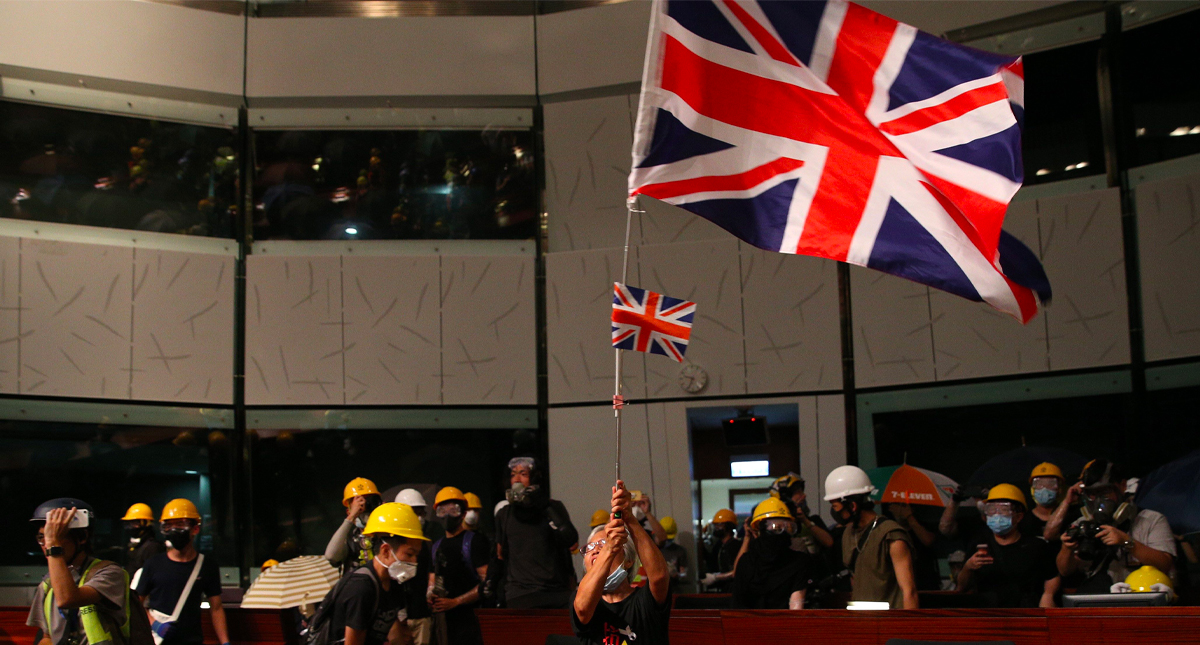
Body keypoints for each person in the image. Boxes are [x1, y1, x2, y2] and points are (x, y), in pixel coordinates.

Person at [572, 481, 670, 645]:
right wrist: (609, 548)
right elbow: (582, 608)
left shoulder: (643, 601)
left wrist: (629, 518)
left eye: (603, 544)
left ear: (629, 560)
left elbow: (659, 577)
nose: (596, 550)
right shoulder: (579, 599)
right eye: (591, 547)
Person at [1056, 459, 1176, 593]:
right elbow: (1065, 571)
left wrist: (1127, 542)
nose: (1098, 500)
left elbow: (1165, 564)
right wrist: (1066, 549)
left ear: (1123, 485)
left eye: (1104, 492)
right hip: (1099, 599)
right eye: (1092, 494)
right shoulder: (1083, 523)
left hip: (1139, 596)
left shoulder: (1151, 520)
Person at [28, 499, 137, 645]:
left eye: (56, 536)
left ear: (82, 537)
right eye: (42, 537)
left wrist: (54, 546)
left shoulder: (110, 573)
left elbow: (67, 599)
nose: (46, 544)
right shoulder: (48, 584)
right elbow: (47, 636)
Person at [322, 503, 427, 645]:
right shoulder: (361, 589)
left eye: (416, 555)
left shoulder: (393, 583)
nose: (414, 561)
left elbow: (394, 630)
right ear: (385, 551)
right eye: (409, 554)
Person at [135, 499, 229, 645]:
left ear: (195, 529)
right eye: (169, 526)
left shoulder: (207, 566)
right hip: (156, 641)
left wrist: (225, 642)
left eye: (180, 524)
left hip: (192, 641)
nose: (174, 530)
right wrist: (155, 624)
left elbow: (216, 608)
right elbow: (136, 604)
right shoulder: (153, 564)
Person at [825, 465, 919, 609]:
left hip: (889, 622)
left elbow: (909, 591)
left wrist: (908, 629)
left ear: (853, 505)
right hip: (861, 621)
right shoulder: (848, 533)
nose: (834, 512)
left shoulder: (891, 535)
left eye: (835, 506)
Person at [494, 456, 579, 609]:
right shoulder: (504, 514)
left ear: (535, 478)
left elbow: (571, 540)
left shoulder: (552, 507)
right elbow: (500, 555)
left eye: (523, 474)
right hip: (520, 594)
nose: (517, 479)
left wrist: (545, 506)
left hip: (556, 591)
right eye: (513, 474)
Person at [955, 485, 1060, 608]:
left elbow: (1052, 576)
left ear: (1019, 516)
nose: (997, 515)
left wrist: (1048, 595)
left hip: (1026, 613)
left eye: (1004, 510)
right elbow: (961, 587)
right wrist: (968, 566)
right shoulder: (979, 544)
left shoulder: (1036, 546)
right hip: (989, 614)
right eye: (992, 509)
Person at [428, 487, 489, 645]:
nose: (447, 515)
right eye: (442, 510)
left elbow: (486, 583)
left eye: (453, 510)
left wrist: (456, 601)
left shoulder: (474, 541)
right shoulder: (437, 546)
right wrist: (430, 595)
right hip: (444, 623)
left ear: (462, 513)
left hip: (469, 621)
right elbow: (432, 580)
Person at [732, 498, 813, 610]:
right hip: (750, 625)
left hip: (785, 625)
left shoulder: (799, 562)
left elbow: (796, 607)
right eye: (777, 528)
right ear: (760, 529)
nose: (782, 533)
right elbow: (738, 607)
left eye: (787, 528)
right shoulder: (746, 563)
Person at [393, 489, 432, 645]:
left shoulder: (425, 543)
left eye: (420, 512)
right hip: (398, 619)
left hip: (421, 614)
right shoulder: (392, 545)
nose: (419, 517)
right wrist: (400, 615)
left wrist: (431, 590)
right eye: (413, 512)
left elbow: (430, 573)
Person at [326, 478, 385, 576]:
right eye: (358, 505)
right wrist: (351, 517)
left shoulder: (388, 533)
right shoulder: (350, 541)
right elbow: (331, 555)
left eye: (369, 500)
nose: (364, 507)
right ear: (349, 511)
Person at [769, 474, 834, 553]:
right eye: (798, 492)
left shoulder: (813, 520)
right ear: (785, 497)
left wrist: (805, 520)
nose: (804, 495)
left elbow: (829, 543)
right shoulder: (776, 526)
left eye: (802, 491)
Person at [885, 502, 941, 591]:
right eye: (897, 505)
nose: (901, 509)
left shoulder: (923, 525)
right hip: (899, 584)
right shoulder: (889, 531)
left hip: (926, 581)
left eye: (903, 506)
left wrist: (909, 516)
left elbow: (928, 540)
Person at [700, 509, 741, 592]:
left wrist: (715, 577)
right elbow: (712, 562)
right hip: (724, 589)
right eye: (716, 525)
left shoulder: (735, 546)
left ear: (729, 527)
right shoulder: (719, 545)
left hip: (733, 590)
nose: (716, 528)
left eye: (719, 525)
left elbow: (737, 571)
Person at [121, 503, 164, 581]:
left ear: (146, 523)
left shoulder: (152, 547)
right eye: (129, 523)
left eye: (135, 523)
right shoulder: (134, 545)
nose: (131, 527)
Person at [1028, 463, 1067, 540]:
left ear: (1060, 489)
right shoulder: (1024, 522)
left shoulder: (1070, 516)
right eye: (1039, 484)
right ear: (1033, 489)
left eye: (1051, 483)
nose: (1044, 489)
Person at [658, 517, 689, 591]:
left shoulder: (680, 551)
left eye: (670, 539)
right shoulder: (654, 549)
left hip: (673, 589)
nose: (667, 541)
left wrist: (677, 574)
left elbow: (684, 575)